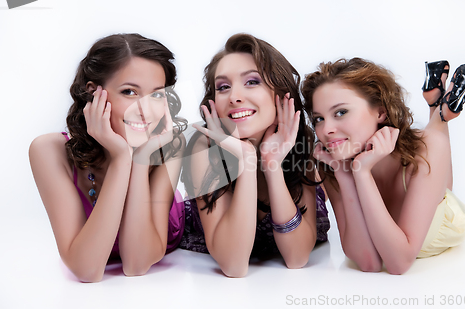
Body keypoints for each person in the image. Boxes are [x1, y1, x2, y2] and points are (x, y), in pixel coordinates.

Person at [29, 33, 187, 282]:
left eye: (156, 95)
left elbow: (136, 264)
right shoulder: (49, 150)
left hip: (174, 225)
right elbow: (87, 270)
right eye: (130, 92)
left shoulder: (168, 146)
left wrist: (139, 159)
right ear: (94, 94)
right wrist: (121, 157)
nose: (145, 111)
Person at [301, 58, 465, 274]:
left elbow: (398, 264)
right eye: (318, 118)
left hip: (440, 209)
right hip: (416, 161)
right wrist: (348, 174)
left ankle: (439, 113)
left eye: (341, 112)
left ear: (380, 112)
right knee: (434, 152)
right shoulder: (331, 164)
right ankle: (439, 107)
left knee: (437, 160)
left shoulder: (427, 147)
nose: (326, 129)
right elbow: (368, 263)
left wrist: (363, 173)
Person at [179, 33, 330, 277]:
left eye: (252, 82)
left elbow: (297, 257)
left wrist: (272, 166)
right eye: (223, 87)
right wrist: (247, 159)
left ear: (280, 93)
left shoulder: (301, 142)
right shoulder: (204, 147)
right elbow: (233, 265)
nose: (235, 97)